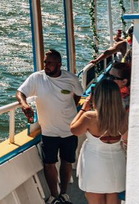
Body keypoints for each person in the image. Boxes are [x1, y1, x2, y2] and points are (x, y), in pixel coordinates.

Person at [17, 49, 84, 204]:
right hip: (48, 130)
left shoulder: (71, 78)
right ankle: (54, 196)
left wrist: (69, 109)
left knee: (67, 162)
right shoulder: (36, 78)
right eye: (45, 62)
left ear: (59, 64)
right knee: (49, 164)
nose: (46, 65)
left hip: (69, 129)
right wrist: (24, 105)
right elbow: (20, 92)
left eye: (50, 63)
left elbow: (78, 94)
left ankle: (64, 194)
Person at [70, 79, 127, 204]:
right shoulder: (124, 116)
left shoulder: (89, 117)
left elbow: (74, 129)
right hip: (117, 163)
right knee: (113, 197)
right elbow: (127, 139)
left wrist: (83, 108)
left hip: (94, 164)